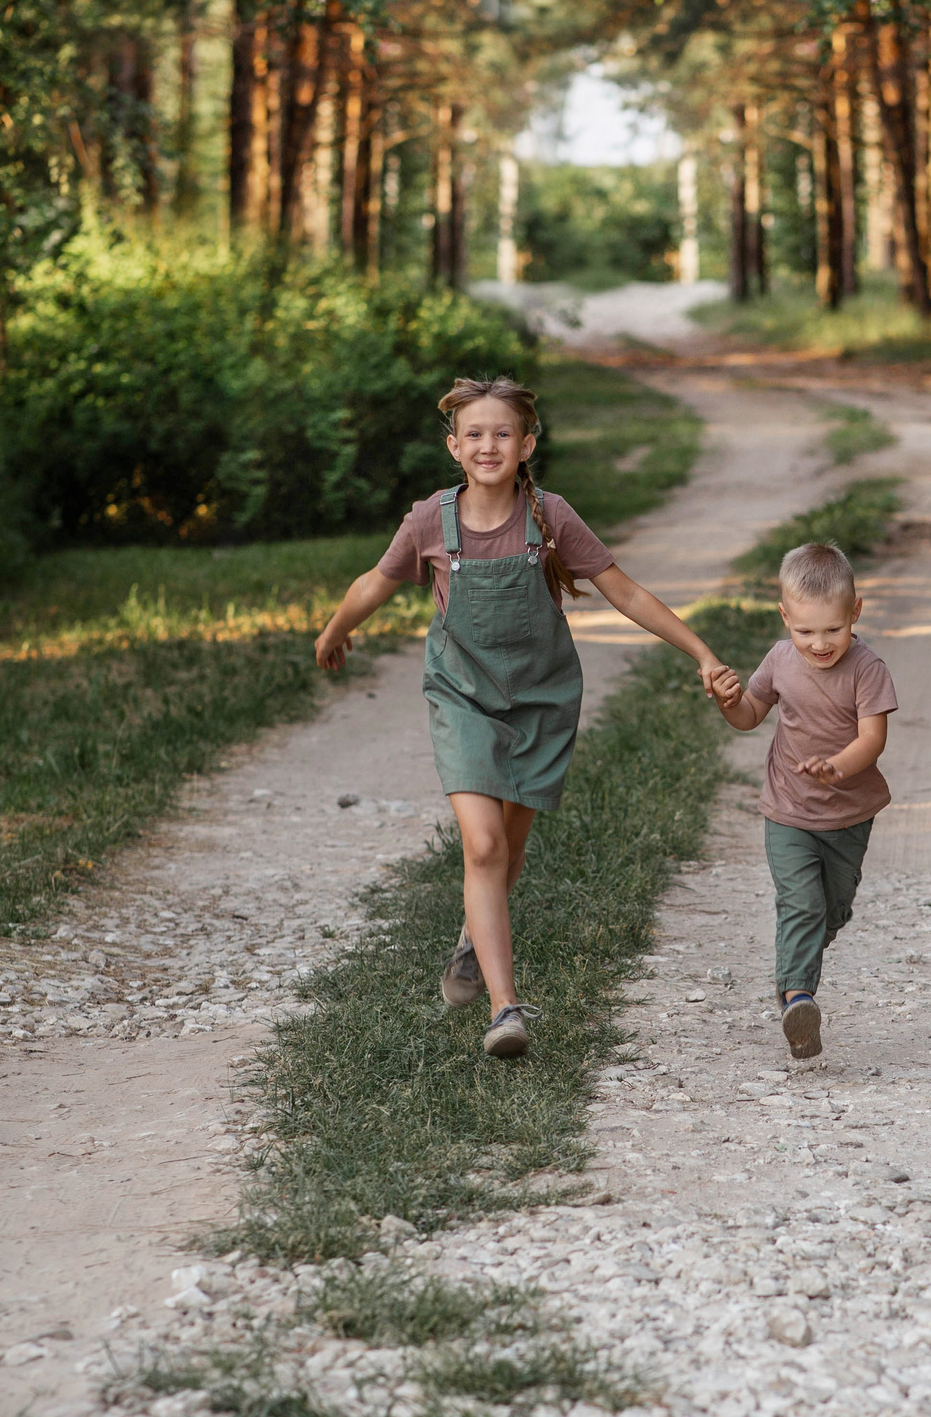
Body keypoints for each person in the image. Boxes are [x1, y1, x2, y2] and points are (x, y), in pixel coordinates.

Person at [314, 376, 734, 1058]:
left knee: (507, 848)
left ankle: (470, 940)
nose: (488, 445)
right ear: (454, 446)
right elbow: (376, 580)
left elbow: (623, 590)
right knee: (482, 846)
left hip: (542, 700)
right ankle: (505, 1008)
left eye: (502, 433)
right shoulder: (431, 520)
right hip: (464, 698)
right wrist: (333, 631)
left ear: (527, 443)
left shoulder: (550, 517)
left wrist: (701, 650)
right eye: (474, 434)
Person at [707, 542, 897, 1059]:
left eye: (832, 630)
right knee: (801, 904)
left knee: (832, 909)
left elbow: (872, 738)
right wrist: (730, 702)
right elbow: (750, 715)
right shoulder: (779, 660)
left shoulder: (867, 668)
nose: (818, 644)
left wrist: (839, 766)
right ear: (785, 616)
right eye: (805, 631)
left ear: (854, 613)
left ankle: (799, 970)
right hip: (788, 813)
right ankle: (799, 1003)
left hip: (848, 817)